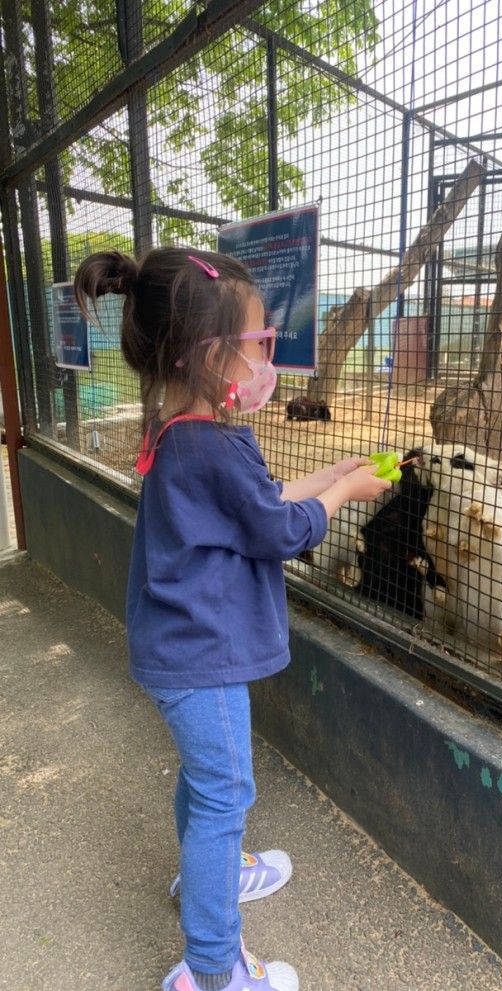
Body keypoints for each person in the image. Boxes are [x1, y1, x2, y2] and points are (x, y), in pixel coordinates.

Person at [74, 247, 392, 991]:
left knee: (209, 779)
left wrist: (339, 473)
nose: (267, 356)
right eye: (259, 343)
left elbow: (263, 500)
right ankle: (213, 968)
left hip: (177, 646)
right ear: (211, 353)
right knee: (225, 792)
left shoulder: (181, 427)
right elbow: (279, 530)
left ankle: (210, 868)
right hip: (198, 656)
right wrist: (340, 499)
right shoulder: (208, 444)